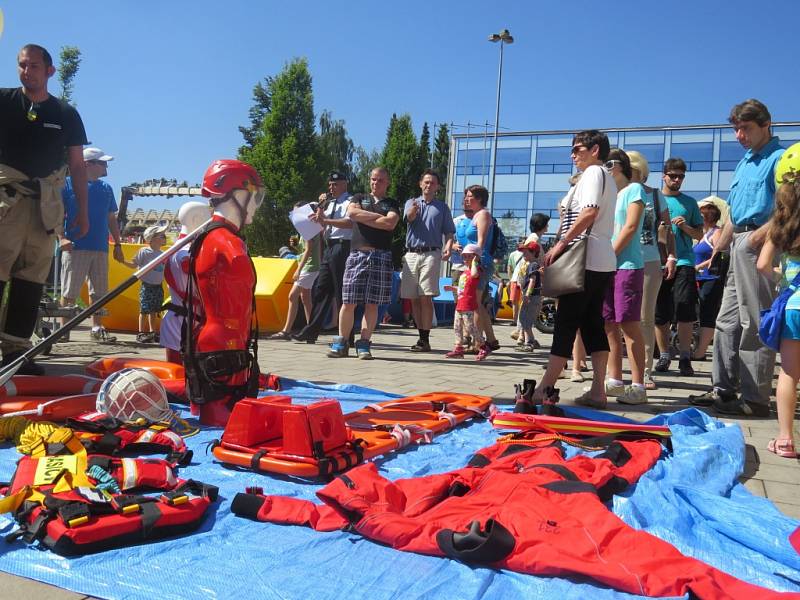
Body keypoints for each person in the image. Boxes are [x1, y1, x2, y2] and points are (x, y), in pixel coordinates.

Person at [691, 100, 785, 417]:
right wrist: (718, 248)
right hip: (737, 243)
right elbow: (733, 212)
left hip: (759, 240)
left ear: (766, 124)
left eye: (745, 128)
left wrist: (757, 238)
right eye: (736, 129)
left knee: (754, 320)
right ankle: (723, 389)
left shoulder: (780, 159)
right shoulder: (745, 162)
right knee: (726, 320)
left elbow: (789, 210)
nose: (738, 135)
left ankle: (755, 398)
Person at [0, 44, 89, 375]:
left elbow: (78, 165)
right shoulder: (4, 100)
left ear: (49, 71)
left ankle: (16, 354)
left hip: (45, 207)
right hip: (6, 202)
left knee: (31, 279)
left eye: (34, 66)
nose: (27, 71)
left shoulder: (65, 113)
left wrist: (82, 209)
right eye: (22, 65)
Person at [526, 130, 617, 410]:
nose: (573, 154)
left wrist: (560, 244)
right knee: (592, 324)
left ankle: (545, 387)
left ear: (595, 150)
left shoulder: (593, 174)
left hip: (583, 258)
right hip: (600, 259)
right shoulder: (606, 178)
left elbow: (588, 212)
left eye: (578, 148)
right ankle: (598, 389)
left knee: (566, 323)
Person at [184, 159, 264, 426]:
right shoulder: (227, 243)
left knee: (228, 418)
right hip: (224, 346)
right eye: (254, 197)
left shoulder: (212, 238)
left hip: (225, 343)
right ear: (237, 195)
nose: (255, 205)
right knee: (224, 422)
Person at [327, 167, 400, 359]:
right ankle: (341, 342)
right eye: (374, 179)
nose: (376, 183)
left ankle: (364, 343)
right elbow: (352, 214)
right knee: (348, 300)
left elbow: (390, 223)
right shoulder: (359, 198)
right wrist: (378, 218)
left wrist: (366, 217)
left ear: (388, 182)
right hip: (358, 254)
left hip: (381, 256)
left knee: (372, 303)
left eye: (381, 180)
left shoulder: (391, 203)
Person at [59, 147, 125, 342]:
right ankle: (63, 330)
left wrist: (118, 244)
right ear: (88, 164)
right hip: (76, 246)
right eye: (102, 162)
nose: (106, 166)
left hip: (100, 248)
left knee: (100, 292)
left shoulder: (106, 188)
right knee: (69, 291)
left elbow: (111, 218)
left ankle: (97, 328)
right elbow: (57, 214)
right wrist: (61, 238)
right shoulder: (67, 185)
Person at [756, 177, 800, 457]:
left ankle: (785, 439)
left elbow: (762, 264)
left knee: (789, 372)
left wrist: (782, 278)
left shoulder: (781, 227)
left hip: (795, 305)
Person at [625, 151, 676, 390]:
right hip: (620, 261)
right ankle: (614, 372)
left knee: (645, 317)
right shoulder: (616, 193)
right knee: (615, 319)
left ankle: (644, 372)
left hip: (650, 260)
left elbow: (667, 227)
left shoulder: (654, 195)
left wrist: (672, 256)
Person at [603, 149, 648, 405]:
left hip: (628, 265)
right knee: (609, 324)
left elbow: (631, 226)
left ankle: (638, 385)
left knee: (629, 325)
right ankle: (615, 380)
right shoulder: (611, 196)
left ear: (618, 166)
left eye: (608, 164)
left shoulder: (635, 190)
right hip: (609, 266)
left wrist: (610, 254)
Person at [653, 158, 703, 376]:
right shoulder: (653, 200)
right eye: (672, 175)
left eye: (681, 176)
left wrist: (686, 227)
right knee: (659, 312)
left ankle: (684, 356)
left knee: (684, 308)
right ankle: (664, 355)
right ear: (663, 176)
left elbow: (700, 235)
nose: (677, 179)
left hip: (684, 262)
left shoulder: (690, 203)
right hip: (656, 262)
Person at [293, 172, 352, 343]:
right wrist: (319, 209)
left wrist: (325, 220)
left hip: (343, 246)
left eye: (335, 185)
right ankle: (310, 331)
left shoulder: (350, 202)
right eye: (330, 185)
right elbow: (322, 222)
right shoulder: (329, 203)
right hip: (329, 247)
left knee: (341, 292)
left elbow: (350, 223)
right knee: (321, 290)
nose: (331, 188)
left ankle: (346, 335)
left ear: (344, 185)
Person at [400, 169, 455, 352]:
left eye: (432, 183)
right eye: (426, 182)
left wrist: (448, 245)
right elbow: (408, 218)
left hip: (431, 253)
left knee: (426, 296)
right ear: (420, 184)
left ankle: (425, 339)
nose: (428, 185)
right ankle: (420, 336)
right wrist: (413, 211)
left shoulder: (442, 207)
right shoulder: (412, 202)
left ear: (437, 186)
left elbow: (449, 231)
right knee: (414, 297)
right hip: (411, 253)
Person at [160, 200, 210, 364]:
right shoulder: (186, 254)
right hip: (186, 323)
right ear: (196, 219)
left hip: (183, 319)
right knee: (182, 377)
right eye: (208, 216)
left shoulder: (178, 249)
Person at [271, 203, 322, 340]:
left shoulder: (307, 226)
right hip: (311, 265)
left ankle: (286, 331)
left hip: (309, 267)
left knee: (292, 296)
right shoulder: (309, 226)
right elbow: (307, 248)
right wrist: (295, 247)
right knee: (305, 299)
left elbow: (309, 249)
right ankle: (311, 331)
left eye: (296, 212)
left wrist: (298, 270)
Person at [463, 185, 499, 353]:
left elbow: (481, 241)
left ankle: (478, 343)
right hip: (478, 261)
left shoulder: (483, 214)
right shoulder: (477, 215)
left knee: (475, 303)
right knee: (478, 303)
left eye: (470, 196)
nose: (467, 199)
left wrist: (475, 262)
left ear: (479, 199)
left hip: (481, 263)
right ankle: (490, 340)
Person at [692, 197, 728, 360]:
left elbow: (717, 255)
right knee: (700, 313)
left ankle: (700, 352)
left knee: (708, 313)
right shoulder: (702, 234)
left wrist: (699, 267)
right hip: (701, 278)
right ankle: (698, 348)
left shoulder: (717, 232)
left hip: (711, 277)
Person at [122, 225, 168, 343]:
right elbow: (134, 264)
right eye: (161, 235)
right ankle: (141, 332)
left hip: (158, 286)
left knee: (154, 310)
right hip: (147, 285)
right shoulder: (144, 251)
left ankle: (152, 332)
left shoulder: (163, 254)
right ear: (151, 238)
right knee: (144, 310)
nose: (164, 237)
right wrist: (122, 261)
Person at [443, 244, 487, 360]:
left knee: (470, 328)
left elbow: (474, 275)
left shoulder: (476, 270)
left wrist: (475, 262)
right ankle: (458, 348)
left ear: (476, 258)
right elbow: (463, 289)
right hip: (460, 304)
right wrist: (453, 288)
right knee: (457, 327)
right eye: (465, 257)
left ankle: (483, 346)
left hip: (468, 305)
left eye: (469, 257)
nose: (466, 259)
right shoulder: (464, 273)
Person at [515, 240, 542, 352]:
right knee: (525, 319)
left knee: (525, 320)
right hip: (533, 296)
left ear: (533, 253)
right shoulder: (534, 265)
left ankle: (529, 342)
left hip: (531, 297)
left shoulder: (533, 265)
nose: (523, 255)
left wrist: (527, 294)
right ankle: (531, 340)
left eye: (525, 253)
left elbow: (532, 280)